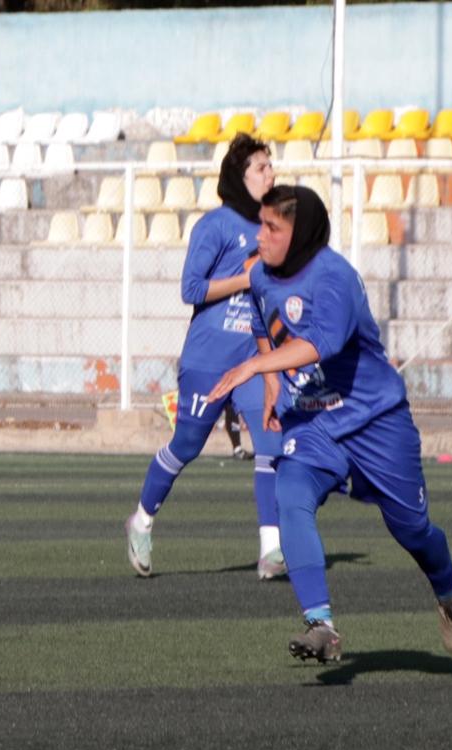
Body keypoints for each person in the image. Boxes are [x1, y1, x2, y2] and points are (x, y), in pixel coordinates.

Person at [209, 184, 452, 663]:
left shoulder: (335, 277)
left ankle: (446, 585)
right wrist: (271, 386)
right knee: (290, 495)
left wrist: (252, 369)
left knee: (412, 530)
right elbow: (266, 328)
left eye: (271, 228)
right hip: (312, 423)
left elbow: (319, 343)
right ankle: (320, 624)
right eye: (259, 224)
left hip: (376, 421)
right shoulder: (262, 276)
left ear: (301, 232)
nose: (258, 238)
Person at [125, 133, 284, 579]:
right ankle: (141, 521)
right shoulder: (213, 226)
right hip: (208, 358)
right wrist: (245, 279)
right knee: (186, 446)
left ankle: (271, 549)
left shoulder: (274, 227)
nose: (270, 173)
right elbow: (190, 289)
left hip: (254, 358)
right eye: (261, 168)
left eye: (271, 166)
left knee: (269, 443)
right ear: (239, 175)